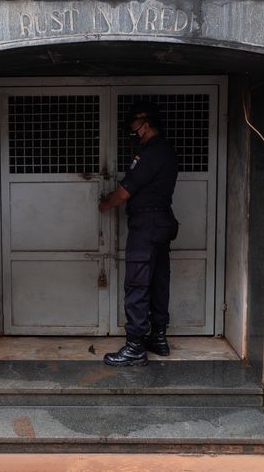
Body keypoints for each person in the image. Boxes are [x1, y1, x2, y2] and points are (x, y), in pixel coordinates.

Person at [98, 102, 179, 366]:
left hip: (146, 224)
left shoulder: (149, 153)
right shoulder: (167, 150)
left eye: (135, 126)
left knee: (137, 283)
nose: (133, 131)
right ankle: (158, 337)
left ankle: (134, 347)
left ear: (146, 125)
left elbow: (124, 193)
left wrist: (105, 203)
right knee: (158, 280)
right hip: (162, 221)